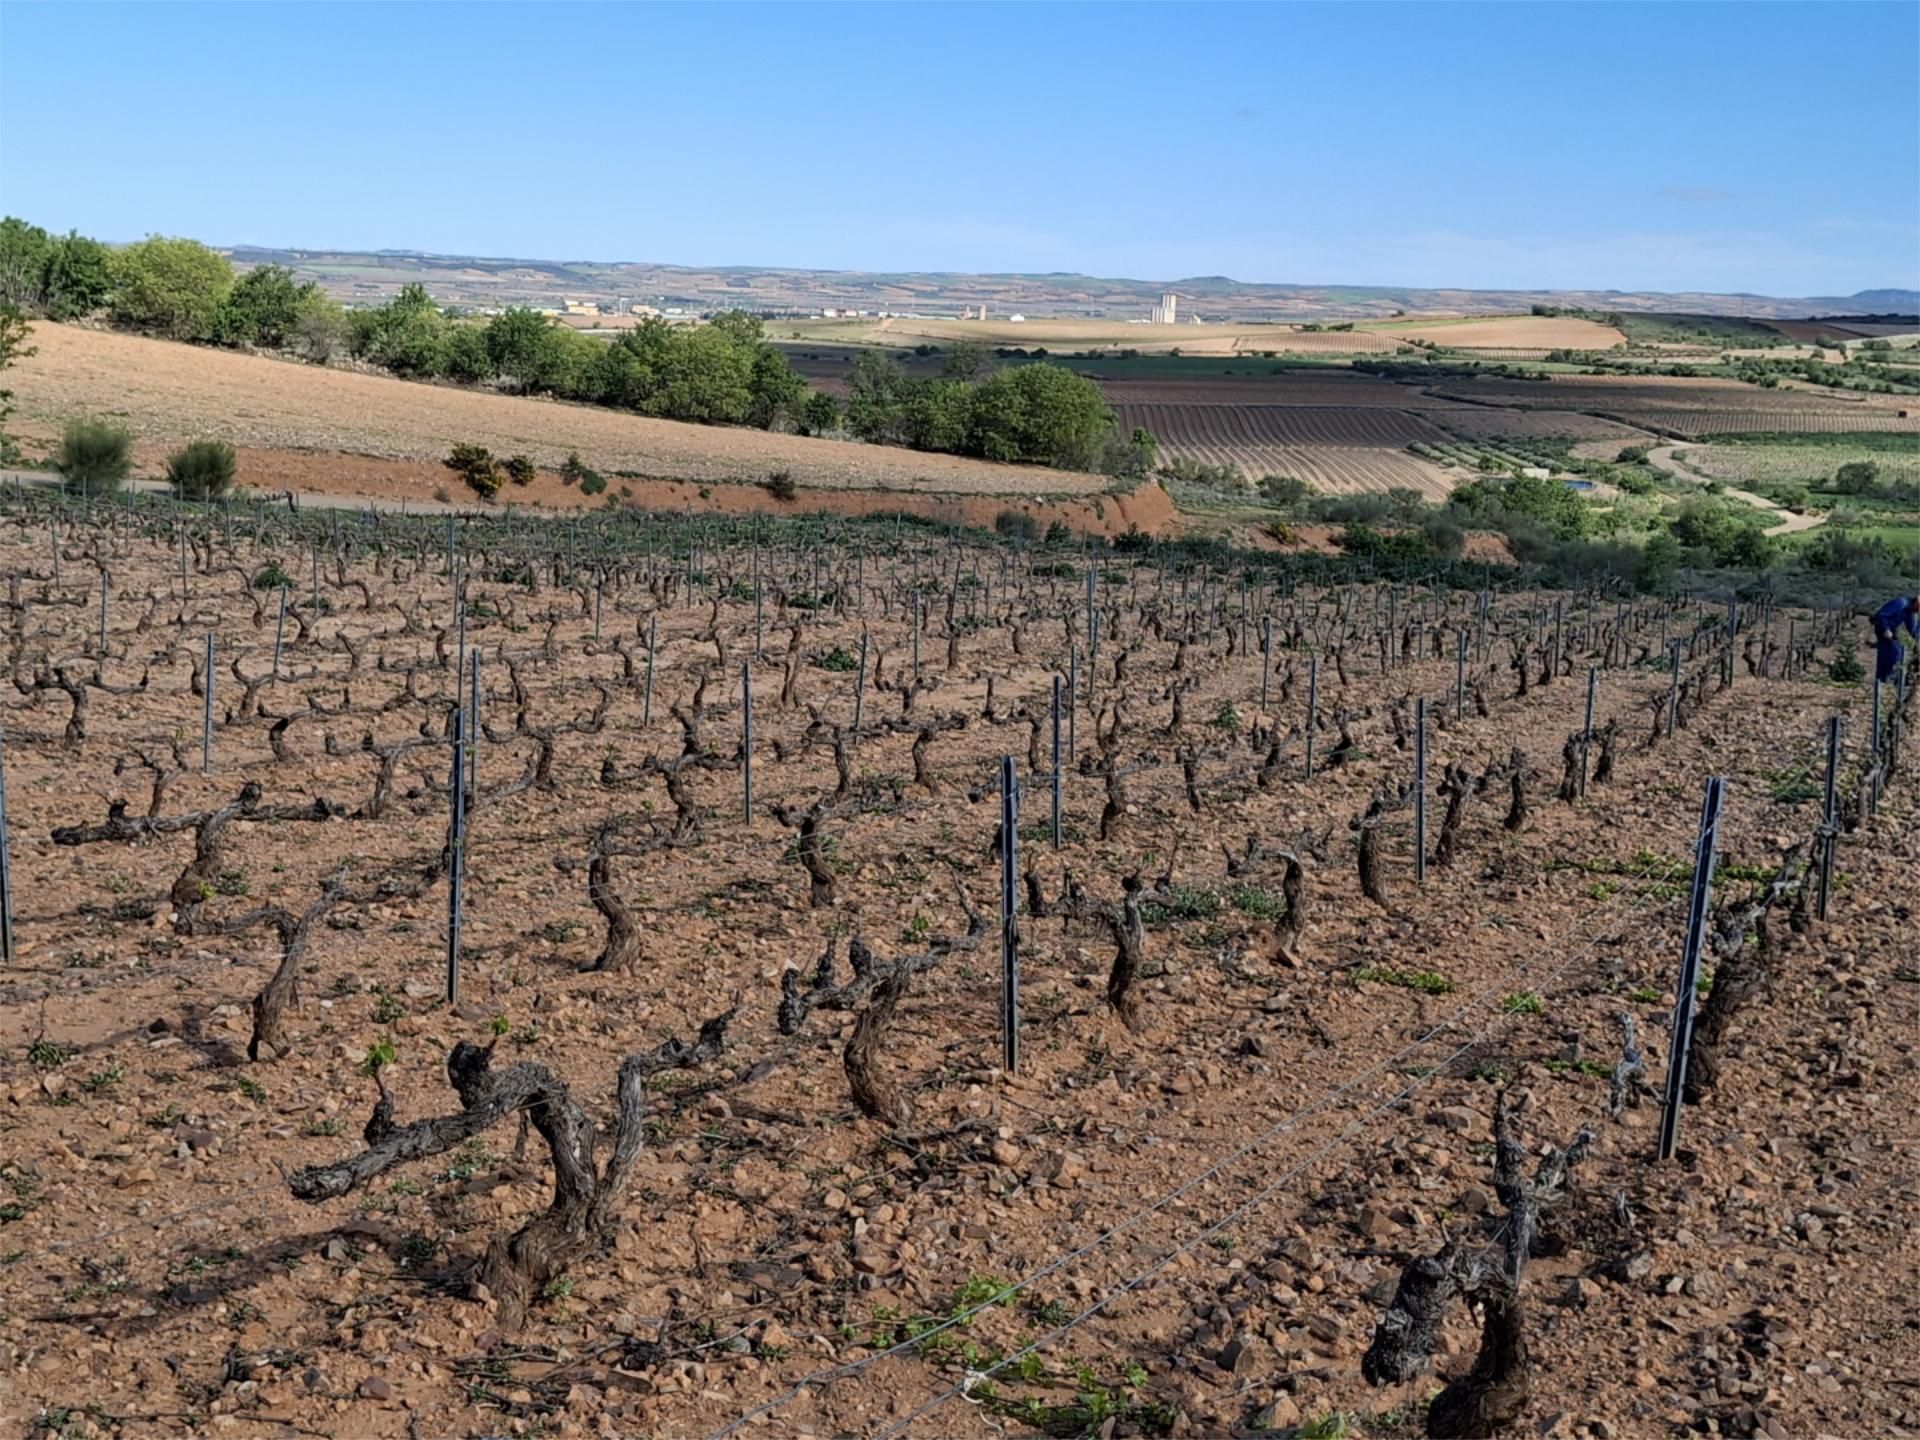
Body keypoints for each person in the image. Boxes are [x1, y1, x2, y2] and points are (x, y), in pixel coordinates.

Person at [1871, 593, 1920, 683]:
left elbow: (1914, 630)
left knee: (1898, 653)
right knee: (1890, 653)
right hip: (1882, 628)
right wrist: (1885, 629)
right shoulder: (1900, 603)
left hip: (1891, 630)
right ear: (1916, 604)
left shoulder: (1910, 612)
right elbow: (1882, 615)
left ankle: (1887, 678)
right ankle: (1882, 679)